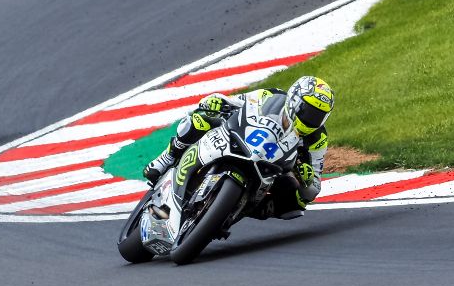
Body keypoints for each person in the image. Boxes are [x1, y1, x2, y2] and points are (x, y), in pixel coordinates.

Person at [142, 76, 334, 219]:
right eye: (308, 111)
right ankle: (166, 158)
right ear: (295, 101)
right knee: (198, 121)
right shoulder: (272, 96)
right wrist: (219, 101)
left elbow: (314, 188)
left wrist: (307, 178)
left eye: (318, 115)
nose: (312, 118)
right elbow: (238, 101)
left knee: (296, 202)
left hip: (272, 168)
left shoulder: (318, 138)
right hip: (241, 140)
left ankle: (242, 209)